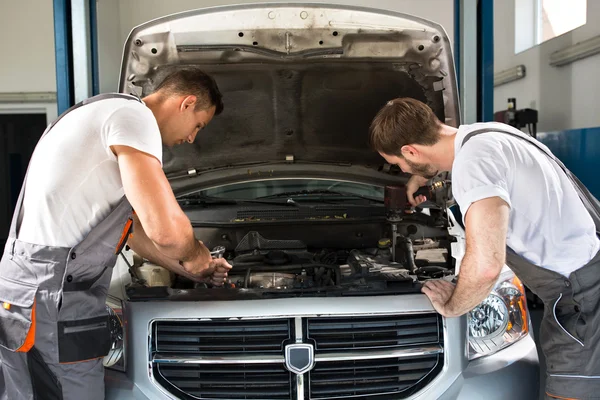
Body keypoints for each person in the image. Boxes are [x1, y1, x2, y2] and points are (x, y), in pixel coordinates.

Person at [0, 68, 232, 400]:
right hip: (52, 297)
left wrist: (189, 269)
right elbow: (166, 230)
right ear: (187, 103)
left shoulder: (102, 113)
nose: (192, 138)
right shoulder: (134, 117)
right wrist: (196, 253)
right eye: (198, 125)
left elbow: (131, 231)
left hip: (32, 291)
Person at [368, 97, 600, 400]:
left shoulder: (473, 165)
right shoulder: (489, 134)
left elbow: (487, 265)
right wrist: (422, 173)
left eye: (398, 162)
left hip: (581, 298)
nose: (399, 168)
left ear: (411, 150)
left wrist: (453, 306)